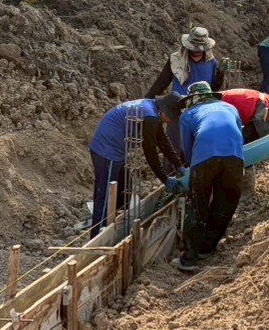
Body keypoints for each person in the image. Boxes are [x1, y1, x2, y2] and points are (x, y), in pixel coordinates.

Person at [174, 83, 245, 272]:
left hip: (204, 157)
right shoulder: (230, 107)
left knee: (196, 205)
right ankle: (207, 247)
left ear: (192, 99)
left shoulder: (187, 115)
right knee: (226, 202)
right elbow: (239, 134)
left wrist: (193, 174)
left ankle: (189, 259)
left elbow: (187, 150)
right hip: (235, 156)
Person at [87, 94, 183, 229]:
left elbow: (162, 140)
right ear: (166, 110)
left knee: (123, 192)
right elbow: (150, 152)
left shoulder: (152, 109)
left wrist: (178, 165)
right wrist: (165, 179)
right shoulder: (149, 116)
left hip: (116, 151)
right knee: (106, 195)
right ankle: (98, 233)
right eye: (172, 118)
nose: (171, 122)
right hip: (107, 151)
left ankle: (117, 226)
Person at [146, 26, 224, 98]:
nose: (197, 51)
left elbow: (214, 88)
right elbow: (161, 83)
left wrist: (221, 74)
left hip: (202, 103)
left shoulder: (212, 63)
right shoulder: (176, 60)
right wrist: (147, 99)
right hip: (180, 102)